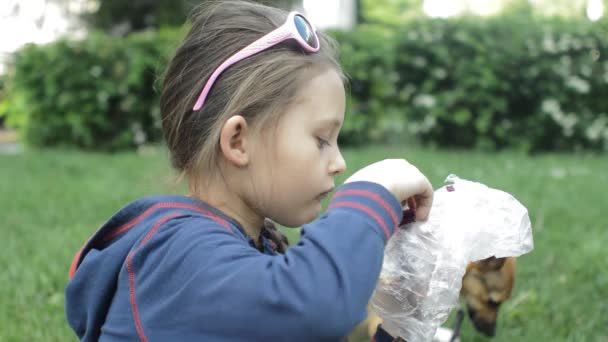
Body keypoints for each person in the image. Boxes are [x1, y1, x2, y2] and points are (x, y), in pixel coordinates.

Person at [65, 1, 433, 341]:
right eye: (321, 139)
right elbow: (313, 309)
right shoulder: (174, 252)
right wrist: (370, 195)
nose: (339, 163)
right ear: (239, 141)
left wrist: (397, 319)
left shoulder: (257, 250)